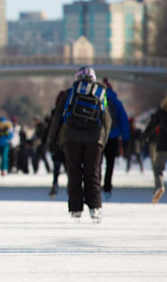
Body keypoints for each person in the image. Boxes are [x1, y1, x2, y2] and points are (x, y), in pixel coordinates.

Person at [47, 66, 112, 222]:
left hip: (70, 138)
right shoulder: (100, 93)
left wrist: (52, 141)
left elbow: (57, 119)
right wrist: (103, 141)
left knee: (74, 173)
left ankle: (76, 209)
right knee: (93, 173)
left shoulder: (69, 93)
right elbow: (107, 120)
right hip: (94, 139)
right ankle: (95, 208)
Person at [101, 78, 130, 197]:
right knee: (110, 164)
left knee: (96, 163)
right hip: (113, 137)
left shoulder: (99, 101)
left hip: (99, 137)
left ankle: (95, 184)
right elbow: (124, 122)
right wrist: (125, 139)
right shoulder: (117, 103)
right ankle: (107, 187)